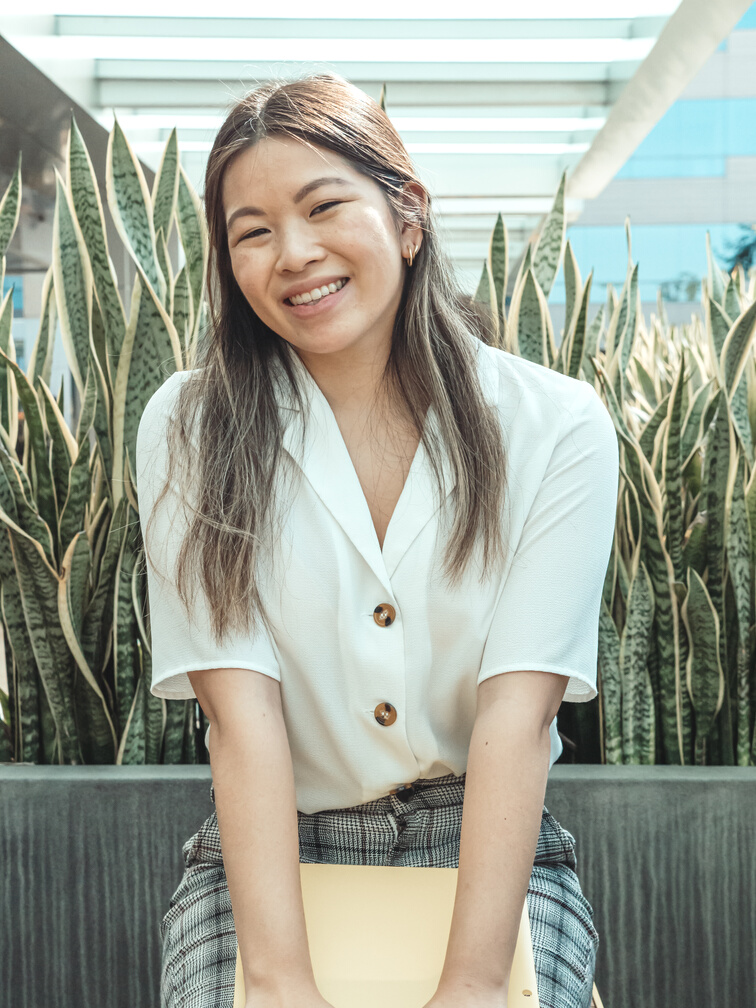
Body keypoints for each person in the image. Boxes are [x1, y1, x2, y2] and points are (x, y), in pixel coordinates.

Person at [136, 72, 618, 1008]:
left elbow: (518, 723)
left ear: (408, 215)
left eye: (324, 207)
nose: (294, 254)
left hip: (487, 852)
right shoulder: (188, 426)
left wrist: (474, 983)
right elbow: (242, 719)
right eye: (253, 231)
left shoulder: (554, 426)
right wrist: (281, 983)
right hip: (272, 858)